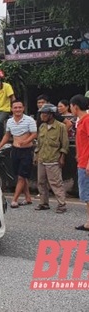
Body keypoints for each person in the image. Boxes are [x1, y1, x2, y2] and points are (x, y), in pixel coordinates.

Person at [0, 100, 37, 208]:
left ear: (23, 108)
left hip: (26, 151)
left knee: (22, 176)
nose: (17, 109)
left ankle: (14, 199)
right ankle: (28, 198)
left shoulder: (29, 120)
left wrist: (26, 141)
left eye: (19, 107)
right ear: (12, 109)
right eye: (15, 107)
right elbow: (7, 135)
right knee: (20, 175)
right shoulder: (9, 121)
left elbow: (34, 134)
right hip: (15, 150)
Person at [34, 104, 69, 213]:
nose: (42, 116)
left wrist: (62, 157)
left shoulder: (60, 127)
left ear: (51, 115)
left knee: (56, 182)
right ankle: (44, 203)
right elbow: (39, 144)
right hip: (42, 158)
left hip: (53, 159)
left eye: (44, 114)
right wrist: (36, 155)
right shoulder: (42, 127)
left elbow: (64, 144)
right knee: (41, 182)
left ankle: (62, 204)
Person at [70, 95, 89, 232]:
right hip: (82, 160)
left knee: (87, 195)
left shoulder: (87, 121)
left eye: (71, 106)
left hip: (86, 163)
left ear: (75, 106)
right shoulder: (81, 121)